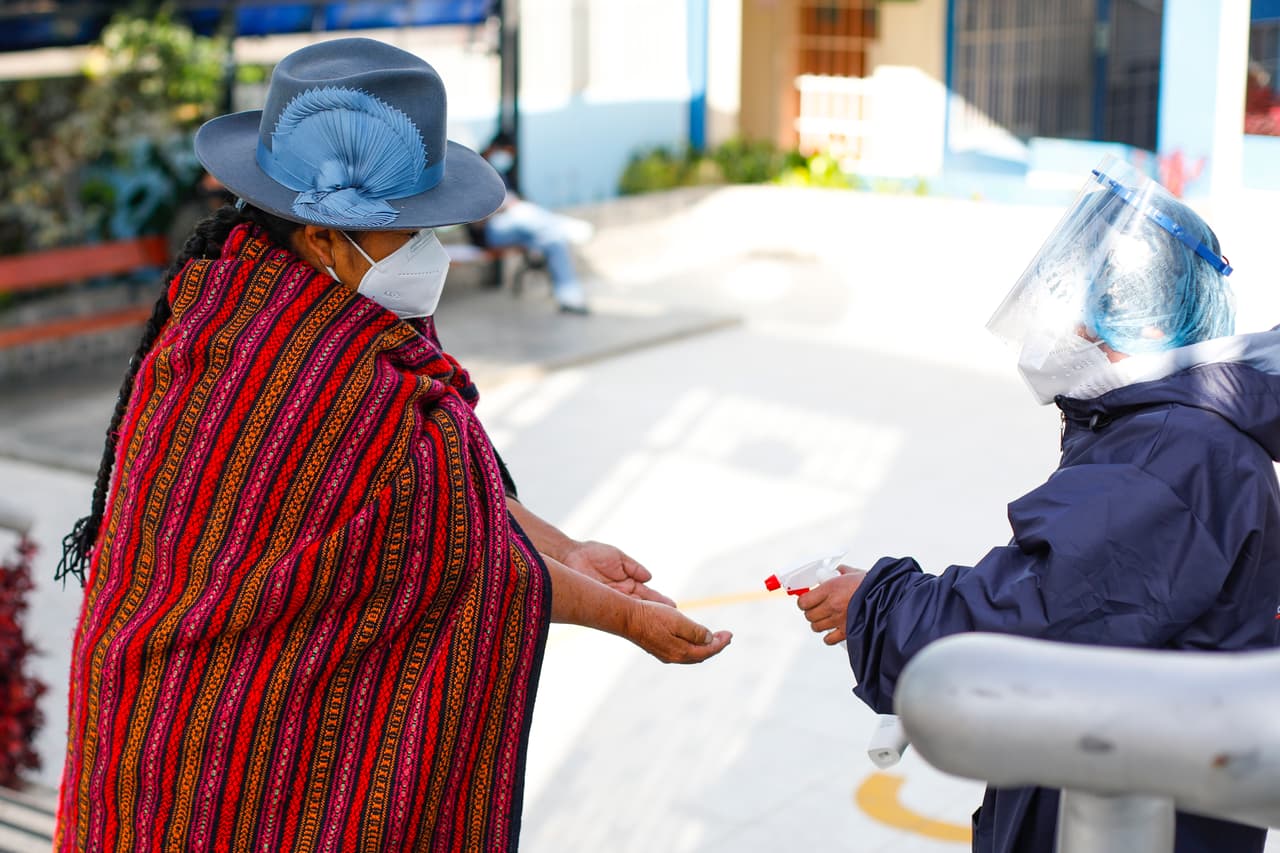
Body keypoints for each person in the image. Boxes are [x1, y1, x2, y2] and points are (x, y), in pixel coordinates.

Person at [54, 38, 729, 852]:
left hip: (186, 738)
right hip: (199, 764)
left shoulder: (254, 292)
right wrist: (621, 615)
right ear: (323, 238)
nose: (428, 252)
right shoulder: (305, 370)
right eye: (407, 232)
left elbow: (452, 500)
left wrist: (568, 548)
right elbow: (453, 551)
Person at [795, 157, 1280, 853]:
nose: (1063, 322)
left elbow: (1031, 625)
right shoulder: (1164, 430)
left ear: (1134, 312)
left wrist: (873, 603)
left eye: (1083, 299)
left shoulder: (1175, 454)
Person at [466, 132, 594, 314]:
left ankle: (570, 298)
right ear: (494, 148)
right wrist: (502, 207)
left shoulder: (504, 173)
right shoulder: (475, 171)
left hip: (520, 225)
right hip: (491, 231)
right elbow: (473, 217)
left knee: (555, 240)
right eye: (506, 152)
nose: (507, 158)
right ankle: (563, 225)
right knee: (524, 214)